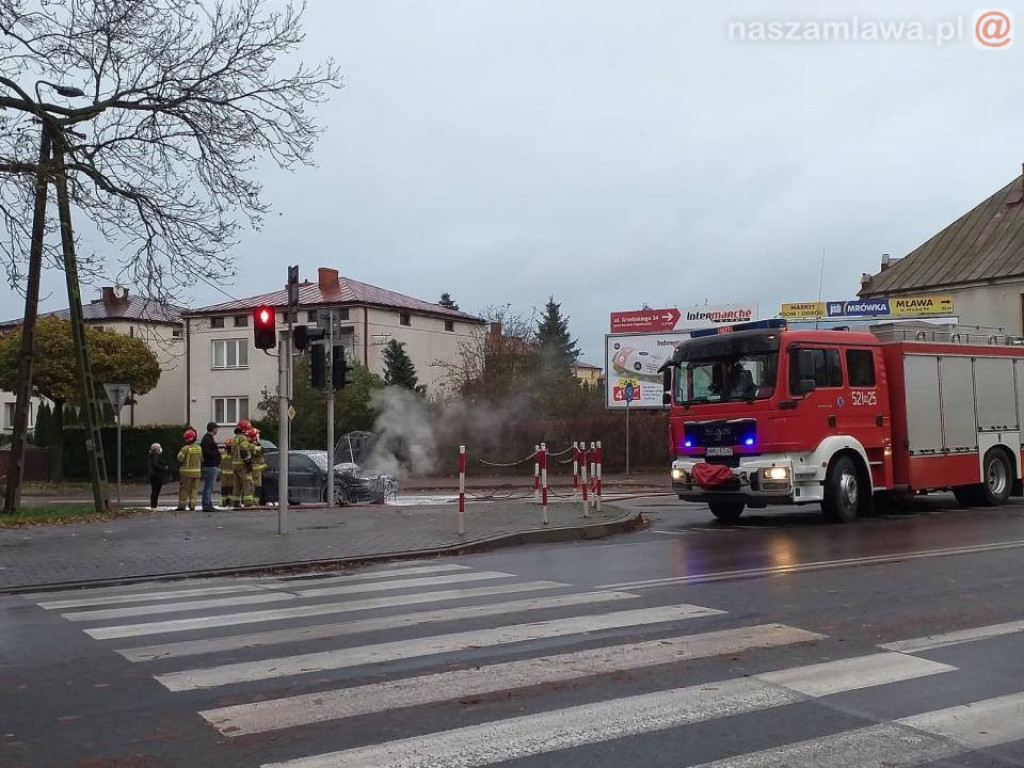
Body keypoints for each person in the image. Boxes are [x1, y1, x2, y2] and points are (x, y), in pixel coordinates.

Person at [176, 429, 202, 511]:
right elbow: (201, 459)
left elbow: (179, 458)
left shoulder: (185, 448)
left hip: (186, 474)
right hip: (197, 473)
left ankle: (182, 506)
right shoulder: (199, 448)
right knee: (194, 489)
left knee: (184, 489)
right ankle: (192, 505)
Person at [230, 419, 254, 508]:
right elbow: (244, 451)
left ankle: (236, 502)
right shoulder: (243, 438)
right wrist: (248, 463)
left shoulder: (235, 438)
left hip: (235, 464)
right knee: (247, 483)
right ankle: (248, 503)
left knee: (237, 484)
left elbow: (232, 451)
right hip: (242, 465)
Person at [200, 421, 220, 512]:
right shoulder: (207, 439)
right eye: (216, 428)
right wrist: (218, 453)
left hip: (211, 464)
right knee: (209, 485)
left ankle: (208, 503)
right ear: (213, 429)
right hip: (210, 465)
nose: (217, 430)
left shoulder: (208, 438)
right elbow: (208, 453)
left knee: (209, 486)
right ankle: (206, 504)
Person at [246, 427, 266, 505]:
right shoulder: (252, 445)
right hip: (255, 470)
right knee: (256, 487)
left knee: (257, 487)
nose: (259, 436)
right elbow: (261, 451)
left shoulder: (254, 444)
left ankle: (256, 502)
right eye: (258, 435)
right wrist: (258, 443)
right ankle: (255, 503)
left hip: (257, 470)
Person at [148, 443, 167, 509]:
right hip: (157, 475)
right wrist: (163, 468)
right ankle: (154, 505)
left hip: (153, 475)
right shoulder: (156, 456)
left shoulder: (152, 455)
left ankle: (154, 505)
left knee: (154, 490)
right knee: (156, 491)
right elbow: (156, 464)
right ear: (157, 449)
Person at [220, 440, 235, 507]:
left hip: (224, 475)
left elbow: (219, 464)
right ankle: (231, 503)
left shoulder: (223, 455)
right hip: (232, 475)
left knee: (224, 490)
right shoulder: (234, 455)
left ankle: (224, 503)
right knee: (231, 490)